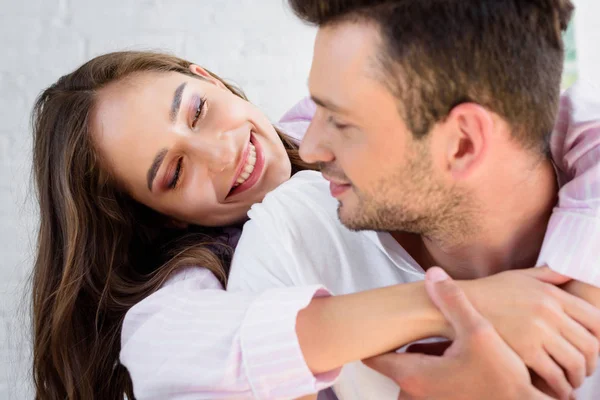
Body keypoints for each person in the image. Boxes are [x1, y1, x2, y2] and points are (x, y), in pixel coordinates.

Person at [30, 47, 599, 400]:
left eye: (198, 111)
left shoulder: (323, 120)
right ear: (159, 219)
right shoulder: (225, 269)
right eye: (175, 173)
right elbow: (165, 351)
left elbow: (570, 121)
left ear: (208, 77)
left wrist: (568, 297)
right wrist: (462, 304)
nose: (222, 150)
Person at [227, 0, 600, 399]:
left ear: (463, 144)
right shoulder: (292, 233)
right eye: (316, 109)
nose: (311, 148)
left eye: (341, 121)